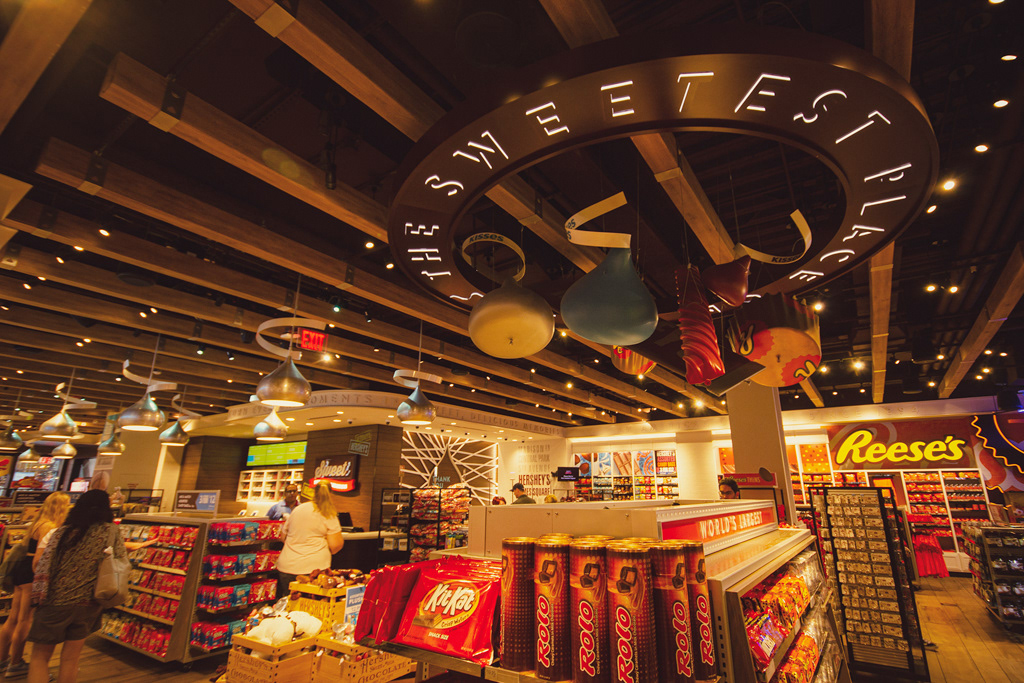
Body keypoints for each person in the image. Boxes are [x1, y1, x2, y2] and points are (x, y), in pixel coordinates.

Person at [27, 489, 126, 683]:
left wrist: (37, 596)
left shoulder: (62, 532)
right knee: (71, 659)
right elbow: (121, 560)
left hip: (56, 601)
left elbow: (42, 565)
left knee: (39, 657)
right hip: (89, 603)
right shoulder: (111, 531)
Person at [0, 492, 69, 679]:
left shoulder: (37, 523)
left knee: (13, 618)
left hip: (21, 571)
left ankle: (3, 659)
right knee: (25, 620)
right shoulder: (49, 527)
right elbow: (42, 558)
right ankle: (16, 663)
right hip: (32, 573)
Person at [274, 481, 344, 598]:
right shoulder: (328, 513)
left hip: (287, 567)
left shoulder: (298, 509)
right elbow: (335, 545)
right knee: (311, 606)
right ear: (331, 494)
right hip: (314, 569)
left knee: (289, 603)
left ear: (313, 493)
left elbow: (283, 537)